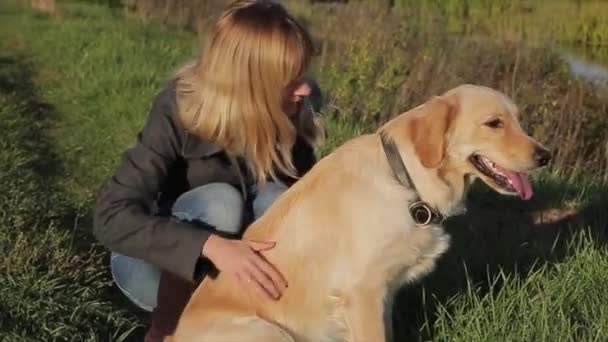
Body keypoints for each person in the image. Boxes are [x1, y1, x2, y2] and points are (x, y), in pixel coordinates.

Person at [92, 1, 323, 340]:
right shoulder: (177, 109)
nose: (305, 88)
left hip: (239, 274)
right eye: (291, 81)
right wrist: (211, 245)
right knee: (219, 201)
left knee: (281, 199)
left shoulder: (294, 108)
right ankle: (165, 331)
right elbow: (111, 217)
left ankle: (273, 319)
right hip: (153, 270)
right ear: (253, 85)